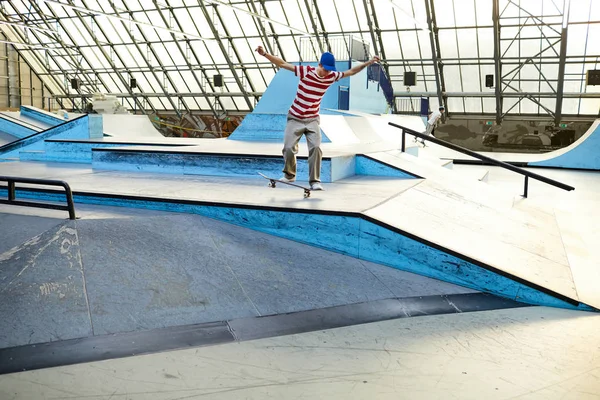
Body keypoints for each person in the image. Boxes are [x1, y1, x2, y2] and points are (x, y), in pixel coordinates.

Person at [255, 45, 380, 190]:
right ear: (319, 65)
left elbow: (351, 71)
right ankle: (290, 175)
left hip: (312, 119)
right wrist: (265, 54)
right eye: (325, 69)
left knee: (315, 148)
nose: (327, 73)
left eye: (329, 70)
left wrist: (369, 62)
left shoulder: (332, 76)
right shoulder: (306, 71)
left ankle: (315, 181)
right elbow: (282, 63)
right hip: (295, 117)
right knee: (288, 148)